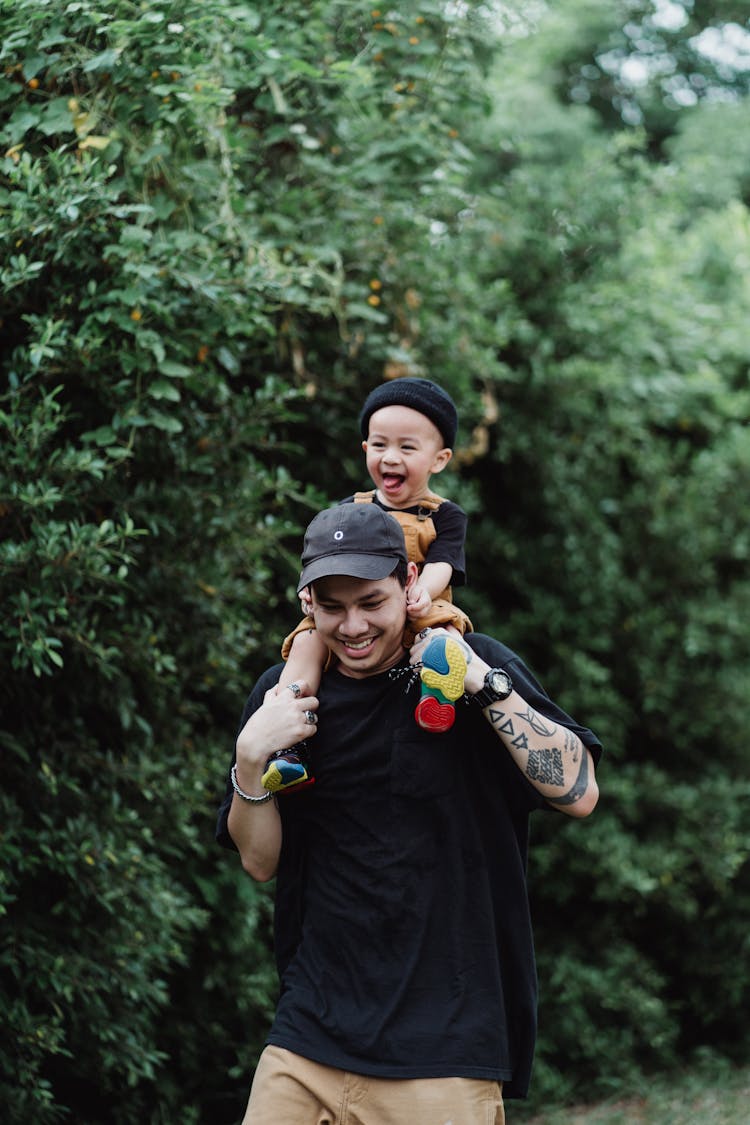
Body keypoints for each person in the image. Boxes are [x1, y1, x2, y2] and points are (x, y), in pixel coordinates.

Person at [216, 502, 602, 1125]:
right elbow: (260, 863)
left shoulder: (471, 669)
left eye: (372, 602)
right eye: (333, 606)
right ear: (307, 601)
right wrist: (249, 756)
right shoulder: (283, 697)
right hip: (307, 1037)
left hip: (444, 1049)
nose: (353, 625)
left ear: (410, 584)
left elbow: (579, 792)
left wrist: (487, 684)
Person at [264, 377, 474, 795]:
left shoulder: (444, 515)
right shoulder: (349, 510)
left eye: (407, 448)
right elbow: (319, 563)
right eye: (379, 446)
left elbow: (444, 562)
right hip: (352, 605)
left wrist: (423, 592)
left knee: (445, 639)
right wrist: (309, 594)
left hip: (419, 605)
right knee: (305, 646)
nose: (390, 457)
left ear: (440, 458)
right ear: (365, 450)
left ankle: (436, 695)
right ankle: (288, 741)